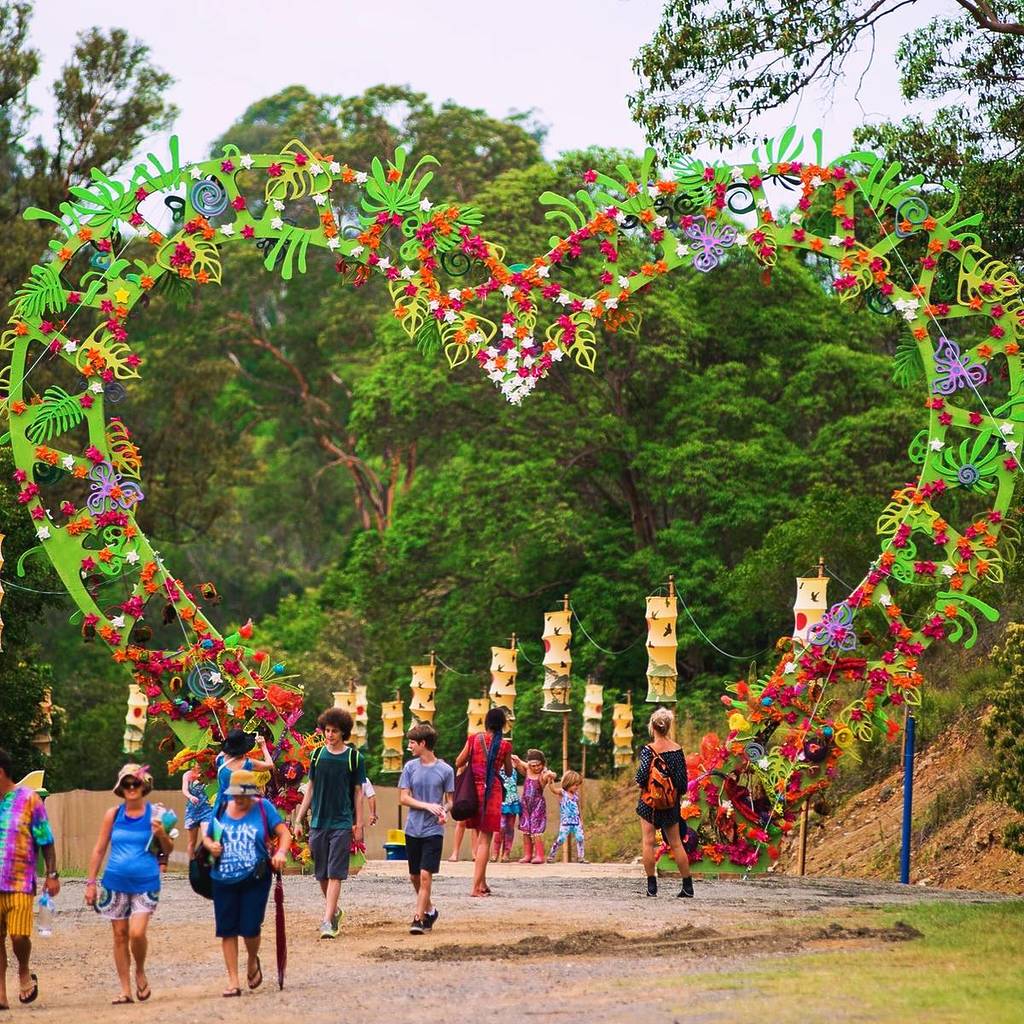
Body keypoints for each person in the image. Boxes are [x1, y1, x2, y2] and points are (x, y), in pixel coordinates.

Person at [84, 764, 173, 1004]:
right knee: (120, 935)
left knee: (136, 933)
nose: (132, 788)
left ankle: (140, 970)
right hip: (115, 882)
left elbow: (167, 850)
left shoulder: (155, 814)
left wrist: (162, 834)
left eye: (135, 783)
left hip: (146, 881)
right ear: (121, 788)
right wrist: (91, 883)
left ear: (144, 786)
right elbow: (100, 849)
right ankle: (125, 989)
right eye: (127, 784)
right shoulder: (113, 815)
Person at [202, 769, 290, 997]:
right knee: (227, 930)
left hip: (255, 877)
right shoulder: (222, 808)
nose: (239, 799)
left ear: (252, 793)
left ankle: (252, 959)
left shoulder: (263, 808)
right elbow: (208, 835)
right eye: (235, 794)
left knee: (251, 928)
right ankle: (233, 981)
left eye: (243, 795)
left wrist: (280, 852)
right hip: (222, 877)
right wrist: (210, 845)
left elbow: (284, 832)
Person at [293, 708, 365, 938]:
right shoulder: (317, 756)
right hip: (318, 822)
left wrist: (359, 824)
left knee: (335, 873)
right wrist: (298, 820)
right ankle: (334, 910)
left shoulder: (354, 758)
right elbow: (310, 789)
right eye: (327, 730)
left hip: (342, 823)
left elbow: (358, 793)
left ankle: (327, 921)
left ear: (343, 732)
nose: (330, 735)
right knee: (321, 873)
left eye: (334, 731)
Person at [0, 749, 59, 1010]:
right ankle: (1, 992)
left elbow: (45, 840)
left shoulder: (28, 800)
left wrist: (52, 874)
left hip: (20, 882)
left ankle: (23, 969)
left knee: (19, 937)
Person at [398, 724, 454, 934]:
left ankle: (418, 918)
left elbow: (450, 801)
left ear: (423, 743)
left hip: (433, 831)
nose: (409, 746)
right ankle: (430, 910)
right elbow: (403, 797)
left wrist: (443, 811)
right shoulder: (410, 768)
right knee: (414, 876)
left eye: (412, 742)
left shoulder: (446, 770)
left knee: (424, 875)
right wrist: (427, 805)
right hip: (413, 829)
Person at [635, 707, 694, 898]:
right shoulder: (677, 750)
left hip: (649, 804)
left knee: (648, 842)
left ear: (652, 727)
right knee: (676, 844)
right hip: (670, 804)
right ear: (668, 727)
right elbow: (682, 783)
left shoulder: (648, 750)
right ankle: (687, 886)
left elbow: (641, 776)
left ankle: (652, 887)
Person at [454, 707, 512, 897]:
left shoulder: (474, 739)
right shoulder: (504, 746)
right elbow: (509, 772)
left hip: (473, 792)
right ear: (503, 725)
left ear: (486, 722)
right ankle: (475, 888)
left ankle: (482, 883)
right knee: (485, 841)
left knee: (480, 840)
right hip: (492, 792)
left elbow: (458, 762)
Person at [512, 749, 556, 863]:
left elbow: (551, 775)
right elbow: (521, 763)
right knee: (526, 829)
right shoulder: (527, 770)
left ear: (543, 763)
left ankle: (540, 855)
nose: (536, 768)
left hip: (537, 804)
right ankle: (527, 854)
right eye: (533, 766)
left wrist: (551, 774)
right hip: (526, 804)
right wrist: (516, 759)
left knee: (536, 830)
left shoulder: (543, 774)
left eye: (538, 765)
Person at [215, 729, 273, 805]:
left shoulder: (220, 760)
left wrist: (232, 741)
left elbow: (224, 752)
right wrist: (263, 746)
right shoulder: (246, 764)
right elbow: (269, 765)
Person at [547, 770, 587, 863]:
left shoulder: (576, 795)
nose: (577, 787)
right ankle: (551, 856)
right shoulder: (562, 792)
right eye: (575, 785)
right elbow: (553, 790)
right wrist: (550, 781)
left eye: (578, 785)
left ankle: (581, 857)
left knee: (580, 838)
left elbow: (578, 808)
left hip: (576, 821)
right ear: (568, 783)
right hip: (566, 822)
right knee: (561, 839)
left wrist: (581, 820)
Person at [182, 764, 213, 858]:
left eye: (202, 763)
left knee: (206, 837)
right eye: (197, 763)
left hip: (207, 809)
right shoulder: (187, 774)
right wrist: (190, 797)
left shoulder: (210, 774)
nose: (199, 765)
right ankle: (192, 865)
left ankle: (207, 864)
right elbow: (185, 790)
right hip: (192, 810)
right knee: (192, 842)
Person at [491, 765, 521, 862]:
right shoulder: (495, 767)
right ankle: (495, 852)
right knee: (501, 826)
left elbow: (526, 768)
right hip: (501, 800)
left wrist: (517, 762)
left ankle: (506, 853)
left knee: (510, 828)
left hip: (512, 801)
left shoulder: (514, 767)